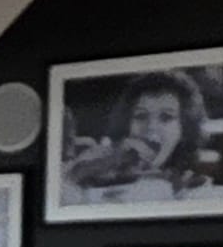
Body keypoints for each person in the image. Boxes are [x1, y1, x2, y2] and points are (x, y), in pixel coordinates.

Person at [64, 72, 212, 202]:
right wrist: (109, 161)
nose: (151, 127)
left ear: (184, 129)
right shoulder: (100, 158)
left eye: (166, 117)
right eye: (141, 116)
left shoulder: (192, 183)